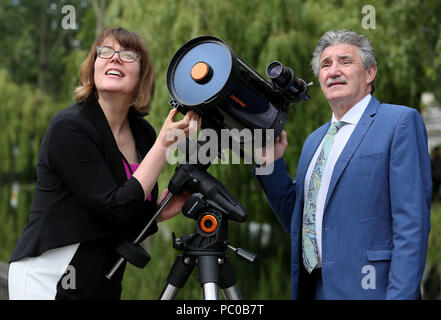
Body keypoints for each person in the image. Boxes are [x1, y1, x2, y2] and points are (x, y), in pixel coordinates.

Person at [8, 27, 200, 300]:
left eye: (128, 54)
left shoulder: (143, 133)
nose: (115, 58)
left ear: (142, 76)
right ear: (93, 66)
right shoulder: (70, 128)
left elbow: (121, 216)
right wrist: (165, 145)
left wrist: (159, 212)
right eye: (105, 52)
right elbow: (115, 208)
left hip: (101, 284)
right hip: (49, 279)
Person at [254, 30, 431, 299]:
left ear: (370, 73)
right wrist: (270, 163)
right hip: (315, 290)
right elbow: (300, 221)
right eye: (326, 65)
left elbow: (412, 225)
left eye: (345, 61)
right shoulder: (315, 141)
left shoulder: (399, 123)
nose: (334, 71)